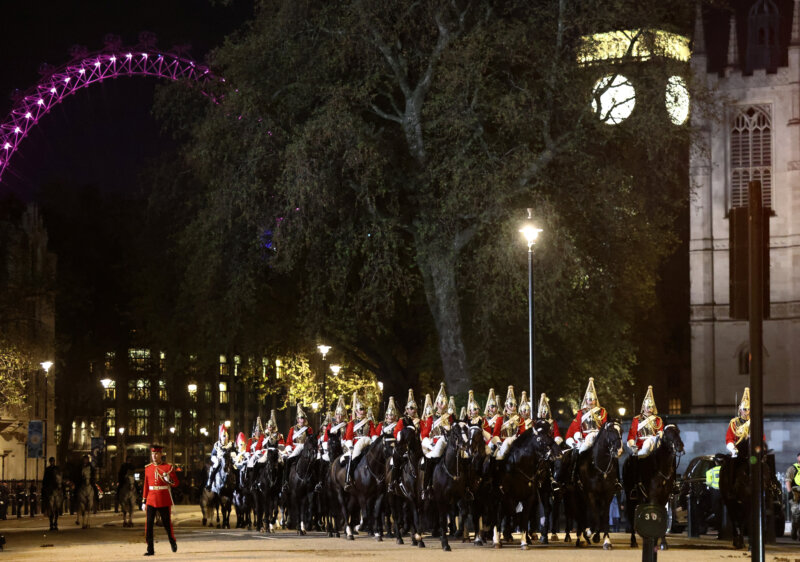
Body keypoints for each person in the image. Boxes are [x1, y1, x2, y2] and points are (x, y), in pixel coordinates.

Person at [142, 444, 178, 556]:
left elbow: (176, 483)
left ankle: (172, 541)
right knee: (149, 525)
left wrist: (169, 480)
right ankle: (150, 549)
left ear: (161, 454)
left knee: (167, 524)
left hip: (163, 498)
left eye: (156, 453)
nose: (154, 456)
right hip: (151, 499)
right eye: (153, 453)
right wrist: (143, 500)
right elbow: (146, 485)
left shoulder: (168, 467)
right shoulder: (148, 468)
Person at [420, 383, 453, 499]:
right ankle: (426, 487)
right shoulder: (431, 418)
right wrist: (429, 443)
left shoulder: (450, 417)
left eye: (444, 402)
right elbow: (424, 433)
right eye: (440, 402)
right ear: (437, 404)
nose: (442, 405)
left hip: (448, 442)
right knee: (429, 461)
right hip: (435, 445)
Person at [343, 391, 375, 491]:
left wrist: (375, 441)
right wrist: (350, 446)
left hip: (368, 443)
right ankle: (348, 479)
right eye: (361, 409)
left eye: (364, 409)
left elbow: (373, 434)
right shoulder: (352, 423)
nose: (363, 411)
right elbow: (348, 436)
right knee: (352, 459)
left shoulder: (369, 422)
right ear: (356, 411)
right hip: (356, 444)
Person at [566, 377, 608, 452]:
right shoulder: (581, 412)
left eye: (593, 400)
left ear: (595, 400)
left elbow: (605, 424)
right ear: (586, 400)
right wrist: (578, 436)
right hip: (585, 437)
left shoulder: (602, 411)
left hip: (599, 436)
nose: (591, 402)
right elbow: (577, 426)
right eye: (589, 400)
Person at [627, 386, 664, 458]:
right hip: (640, 445)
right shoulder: (637, 419)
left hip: (655, 445)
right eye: (648, 406)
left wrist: (659, 435)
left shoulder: (658, 419)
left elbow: (661, 432)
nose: (650, 409)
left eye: (651, 407)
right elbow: (631, 435)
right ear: (644, 407)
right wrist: (632, 445)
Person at [495, 386, 521, 460]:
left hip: (517, 443)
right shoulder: (500, 419)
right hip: (503, 444)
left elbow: (522, 432)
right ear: (506, 407)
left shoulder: (520, 419)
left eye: (515, 405)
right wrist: (499, 443)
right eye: (511, 405)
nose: (513, 407)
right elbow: (495, 434)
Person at [725, 388, 751, 457]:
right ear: (740, 410)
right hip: (738, 452)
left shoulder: (754, 423)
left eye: (749, 409)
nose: (747, 412)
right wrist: (733, 449)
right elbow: (729, 439)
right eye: (745, 409)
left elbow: (761, 438)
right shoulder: (734, 422)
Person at [206, 424, 233, 489]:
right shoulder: (217, 445)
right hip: (219, 459)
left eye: (225, 436)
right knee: (215, 467)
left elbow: (234, 451)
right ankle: (210, 482)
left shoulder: (230, 444)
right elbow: (213, 454)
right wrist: (216, 459)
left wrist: (233, 454)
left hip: (229, 459)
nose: (224, 438)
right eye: (223, 436)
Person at [322, 396, 348, 461]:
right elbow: (326, 438)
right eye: (337, 414)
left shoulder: (347, 425)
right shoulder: (330, 426)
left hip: (343, 448)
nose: (339, 417)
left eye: (341, 414)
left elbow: (348, 438)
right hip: (331, 449)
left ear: (344, 416)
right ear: (335, 415)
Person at [786, 452, 800, 540]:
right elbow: (788, 481)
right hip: (795, 492)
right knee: (796, 514)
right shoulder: (792, 468)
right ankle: (794, 529)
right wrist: (790, 492)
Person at [484, 388, 502, 452]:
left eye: (495, 407)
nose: (493, 408)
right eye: (492, 407)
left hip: (497, 440)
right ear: (488, 408)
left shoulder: (500, 417)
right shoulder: (484, 418)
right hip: (487, 440)